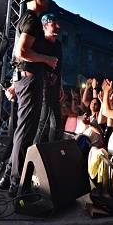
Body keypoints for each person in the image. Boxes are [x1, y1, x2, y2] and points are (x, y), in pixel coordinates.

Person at [0, 0, 59, 196]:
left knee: (21, 131)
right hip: (30, 80)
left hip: (25, 79)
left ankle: (8, 178)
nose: (48, 0)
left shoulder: (27, 18)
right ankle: (18, 186)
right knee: (26, 133)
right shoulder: (32, 19)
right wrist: (48, 59)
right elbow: (22, 51)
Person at [35, 12, 63, 143]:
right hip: (42, 87)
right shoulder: (39, 43)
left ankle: (52, 151)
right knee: (43, 121)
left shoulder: (58, 45)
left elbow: (59, 67)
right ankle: (34, 151)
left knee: (56, 123)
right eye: (53, 24)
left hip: (55, 87)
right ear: (45, 26)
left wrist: (61, 86)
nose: (58, 26)